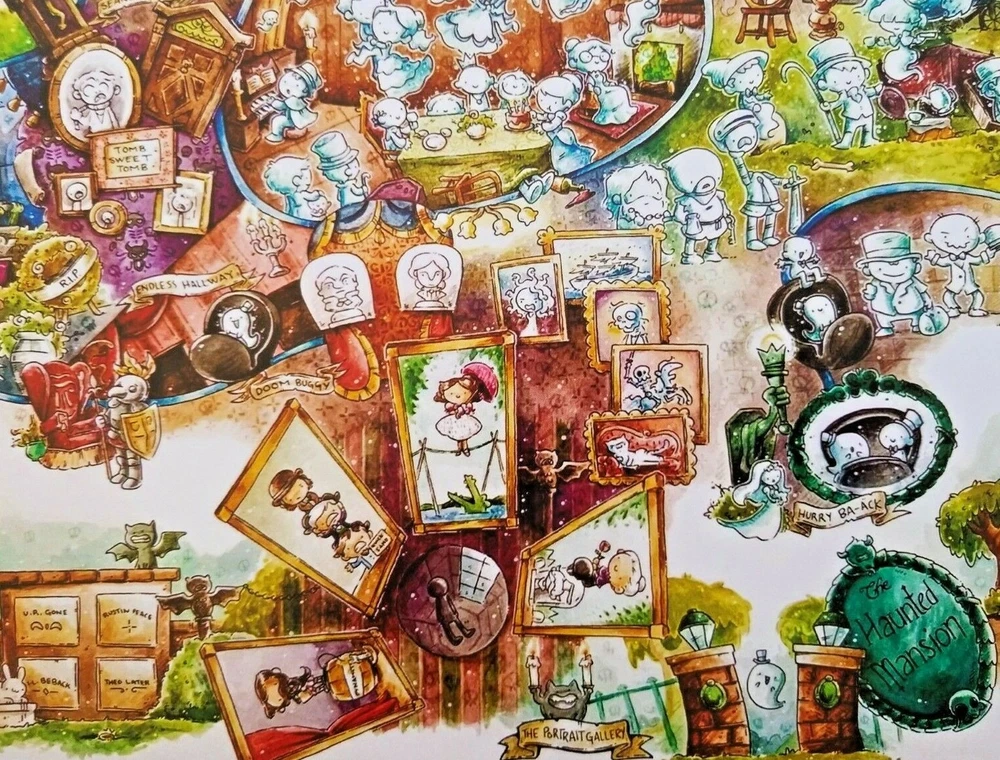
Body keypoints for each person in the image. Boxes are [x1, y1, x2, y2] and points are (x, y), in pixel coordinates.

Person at [809, 38, 882, 150]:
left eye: (855, 71)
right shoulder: (844, 95)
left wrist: (877, 89)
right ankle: (845, 142)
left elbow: (870, 92)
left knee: (868, 129)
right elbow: (838, 102)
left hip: (867, 113)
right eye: (839, 76)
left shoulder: (862, 90)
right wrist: (829, 106)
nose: (849, 78)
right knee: (849, 131)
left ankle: (868, 139)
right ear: (823, 83)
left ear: (865, 72)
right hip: (852, 116)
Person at [664, 148, 732, 264]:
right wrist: (684, 219)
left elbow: (722, 205)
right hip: (696, 225)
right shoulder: (687, 201)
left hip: (716, 223)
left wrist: (725, 212)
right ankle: (689, 255)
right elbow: (679, 214)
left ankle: (711, 252)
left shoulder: (716, 195)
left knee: (714, 236)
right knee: (692, 238)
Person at [532, 75, 596, 175]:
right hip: (552, 139)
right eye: (542, 100)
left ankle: (569, 169)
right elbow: (546, 117)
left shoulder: (560, 115)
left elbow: (553, 125)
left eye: (554, 102)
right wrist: (537, 116)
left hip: (558, 139)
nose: (546, 105)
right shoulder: (552, 113)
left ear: (566, 104)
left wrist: (543, 127)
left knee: (559, 156)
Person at [434, 361, 499, 455]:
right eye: (451, 393)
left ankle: (465, 448)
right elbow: (448, 408)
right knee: (458, 436)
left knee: (464, 436)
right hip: (454, 421)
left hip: (464, 421)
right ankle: (459, 449)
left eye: (464, 393)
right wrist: (454, 409)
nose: (457, 396)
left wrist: (463, 409)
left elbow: (468, 409)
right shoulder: (450, 404)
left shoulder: (467, 404)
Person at [311, 131, 371, 208]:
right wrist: (364, 189)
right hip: (356, 206)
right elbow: (357, 191)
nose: (323, 174)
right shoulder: (348, 186)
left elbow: (339, 198)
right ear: (348, 171)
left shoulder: (343, 187)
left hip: (347, 206)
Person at [265, 63, 323, 143]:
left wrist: (273, 102)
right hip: (293, 118)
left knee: (277, 121)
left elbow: (281, 106)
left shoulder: (293, 100)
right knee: (278, 120)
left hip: (294, 121)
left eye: (295, 86)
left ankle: (277, 136)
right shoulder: (295, 98)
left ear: (305, 91)